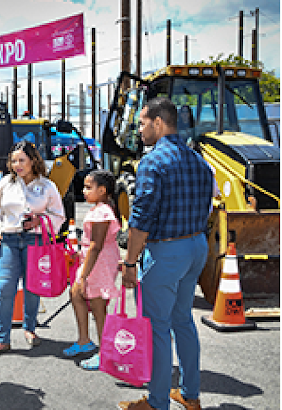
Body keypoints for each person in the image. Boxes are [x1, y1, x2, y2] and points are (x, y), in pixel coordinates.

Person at [118, 98, 213, 410]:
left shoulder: (152, 162)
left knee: (157, 328)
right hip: (196, 246)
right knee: (183, 320)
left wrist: (130, 262)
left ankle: (157, 402)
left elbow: (141, 220)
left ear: (158, 123)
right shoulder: (199, 161)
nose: (140, 129)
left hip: (167, 251)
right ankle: (190, 393)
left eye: (143, 123)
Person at [0, 140, 65, 358]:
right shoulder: (4, 184)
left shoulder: (47, 186)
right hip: (8, 239)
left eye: (22, 160)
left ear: (33, 161)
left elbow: (59, 215)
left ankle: (30, 329)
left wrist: (39, 220)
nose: (17, 164)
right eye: (14, 160)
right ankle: (2, 339)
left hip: (35, 242)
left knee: (32, 287)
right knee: (4, 288)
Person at [62, 169, 120, 370]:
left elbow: (96, 245)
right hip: (93, 260)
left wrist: (83, 274)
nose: (84, 191)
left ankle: (105, 353)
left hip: (99, 263)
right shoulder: (98, 209)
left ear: (102, 190)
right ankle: (84, 339)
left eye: (88, 187)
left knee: (98, 306)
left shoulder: (102, 211)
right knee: (76, 294)